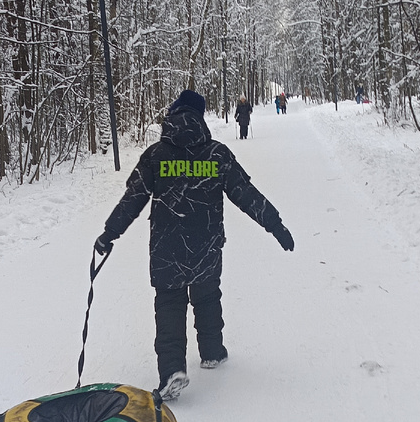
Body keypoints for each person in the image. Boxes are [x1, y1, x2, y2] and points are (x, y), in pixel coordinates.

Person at [94, 89, 294, 402]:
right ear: (200, 119)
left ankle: (172, 370)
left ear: (172, 116)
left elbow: (132, 199)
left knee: (169, 305)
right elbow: (246, 194)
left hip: (166, 247)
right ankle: (212, 352)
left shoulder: (155, 156)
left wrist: (109, 234)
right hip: (207, 243)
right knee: (207, 296)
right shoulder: (217, 154)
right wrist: (275, 225)